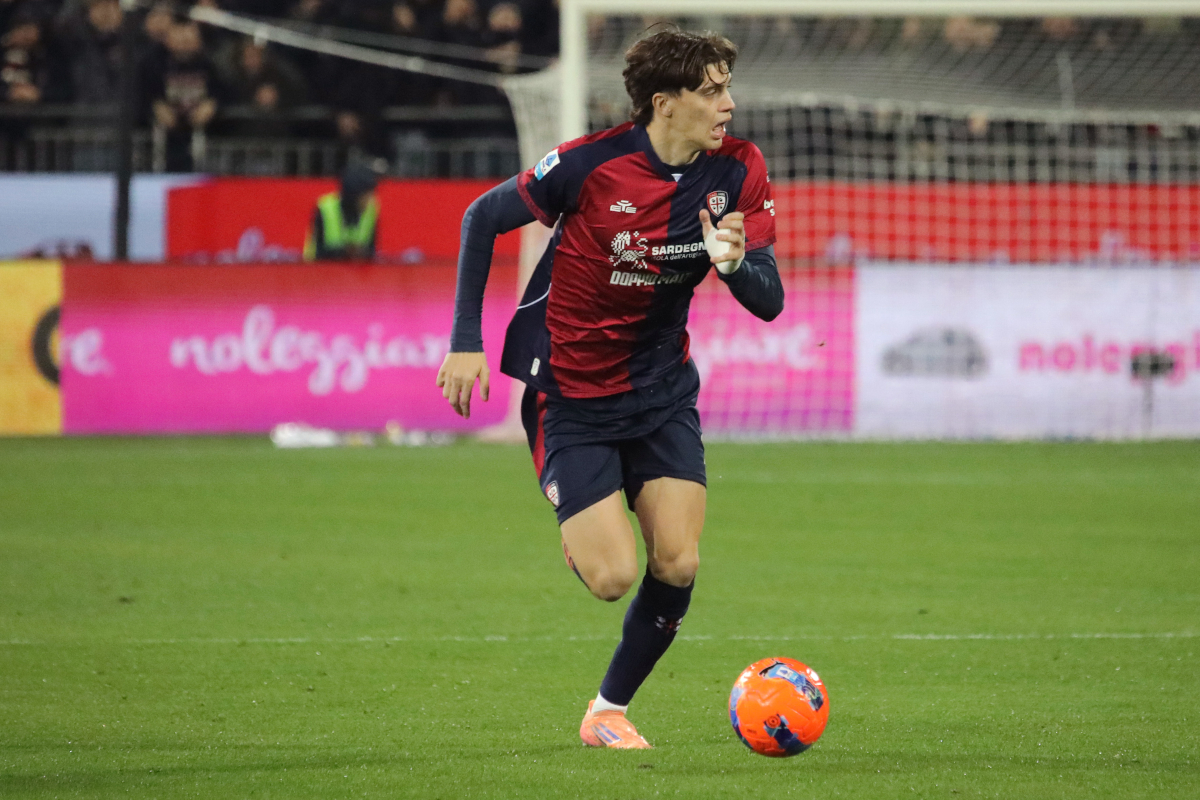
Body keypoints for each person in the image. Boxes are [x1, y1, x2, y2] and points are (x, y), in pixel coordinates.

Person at [436, 28, 783, 749]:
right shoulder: (590, 166)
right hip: (572, 397)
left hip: (661, 393)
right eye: (712, 90)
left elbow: (770, 299)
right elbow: (481, 218)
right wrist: (465, 342)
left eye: (727, 87)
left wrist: (734, 266)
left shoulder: (738, 171)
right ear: (666, 102)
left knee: (679, 561)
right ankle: (581, 515)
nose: (730, 104)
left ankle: (608, 711)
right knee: (611, 576)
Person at [303, 160, 383, 261]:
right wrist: (344, 252)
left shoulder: (371, 210)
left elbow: (372, 251)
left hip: (359, 274)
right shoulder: (325, 209)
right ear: (353, 196)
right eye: (366, 196)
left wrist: (362, 252)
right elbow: (315, 253)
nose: (370, 200)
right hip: (325, 272)